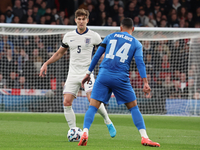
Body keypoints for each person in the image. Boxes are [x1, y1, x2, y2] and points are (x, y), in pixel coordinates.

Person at [78, 18, 160, 147]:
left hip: (103, 75)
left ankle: (85, 132)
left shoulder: (110, 36)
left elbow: (97, 55)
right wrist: (145, 82)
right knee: (133, 108)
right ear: (133, 29)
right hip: (120, 78)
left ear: (120, 28)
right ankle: (144, 137)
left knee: (93, 106)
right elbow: (140, 63)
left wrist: (88, 73)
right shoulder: (136, 43)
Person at [39, 9, 116, 138]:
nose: (81, 21)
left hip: (87, 73)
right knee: (66, 102)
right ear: (75, 20)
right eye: (79, 19)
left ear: (87, 20)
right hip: (72, 74)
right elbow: (59, 53)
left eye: (83, 19)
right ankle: (74, 130)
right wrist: (46, 63)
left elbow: (104, 52)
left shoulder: (94, 36)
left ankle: (107, 121)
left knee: (93, 100)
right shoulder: (68, 36)